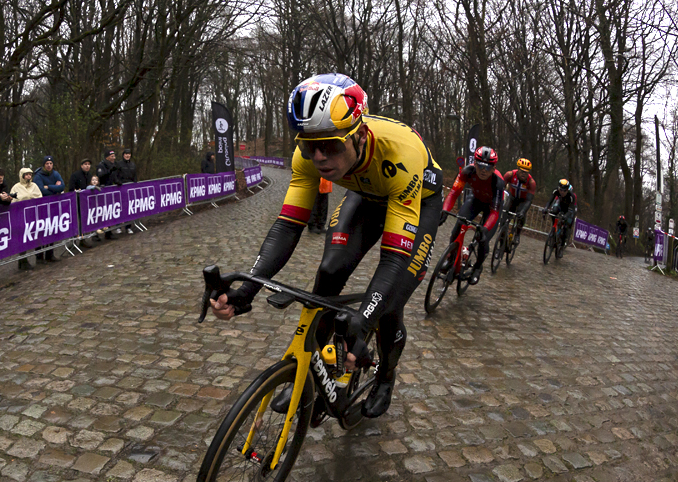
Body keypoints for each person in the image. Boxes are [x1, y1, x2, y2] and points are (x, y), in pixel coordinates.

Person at [210, 73, 443, 419]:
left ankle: (385, 379)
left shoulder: (401, 154)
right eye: (308, 145)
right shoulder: (308, 156)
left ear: (360, 135)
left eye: (331, 145)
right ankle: (312, 377)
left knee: (388, 305)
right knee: (329, 272)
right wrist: (248, 288)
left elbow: (394, 260)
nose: (319, 157)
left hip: (416, 201)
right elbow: (288, 226)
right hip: (366, 195)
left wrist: (364, 320)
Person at [442, 145, 505, 284]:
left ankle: (477, 267)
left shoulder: (498, 182)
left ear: (494, 168)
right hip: (475, 200)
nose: (483, 170)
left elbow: (494, 212)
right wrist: (445, 210)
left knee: (483, 239)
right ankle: (451, 258)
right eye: (480, 165)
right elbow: (454, 193)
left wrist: (485, 228)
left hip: (492, 208)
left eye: (488, 167)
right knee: (458, 226)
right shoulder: (467, 171)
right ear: (474, 163)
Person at [502, 158, 537, 237]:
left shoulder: (531, 182)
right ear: (518, 169)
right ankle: (502, 233)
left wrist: (523, 211)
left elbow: (529, 200)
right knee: (505, 214)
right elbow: (501, 188)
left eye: (526, 172)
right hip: (512, 198)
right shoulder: (510, 175)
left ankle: (517, 234)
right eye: (522, 171)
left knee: (521, 215)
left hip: (523, 201)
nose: (523, 174)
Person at [542, 179, 577, 250]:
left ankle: (562, 246)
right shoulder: (556, 191)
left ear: (567, 190)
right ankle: (554, 229)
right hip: (560, 206)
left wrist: (566, 216)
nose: (562, 192)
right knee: (553, 211)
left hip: (569, 210)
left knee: (566, 226)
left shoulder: (571, 196)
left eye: (564, 191)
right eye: (561, 190)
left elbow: (571, 210)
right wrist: (545, 208)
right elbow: (550, 201)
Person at [114, 149, 138, 234]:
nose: (127, 155)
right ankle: (118, 227)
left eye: (129, 154)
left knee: (129, 208)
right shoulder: (119, 164)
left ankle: (128, 227)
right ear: (123, 155)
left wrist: (135, 184)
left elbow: (135, 176)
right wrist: (118, 182)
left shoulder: (133, 164)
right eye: (126, 154)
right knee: (119, 208)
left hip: (130, 189)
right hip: (121, 188)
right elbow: (115, 175)